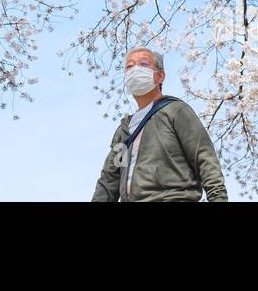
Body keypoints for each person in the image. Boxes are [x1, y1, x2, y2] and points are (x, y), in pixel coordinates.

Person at [91, 47, 228, 202]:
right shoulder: (124, 131)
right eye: (129, 66)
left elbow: (204, 159)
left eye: (143, 64)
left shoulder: (175, 111)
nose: (135, 70)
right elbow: (109, 181)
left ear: (160, 76)